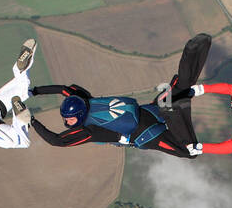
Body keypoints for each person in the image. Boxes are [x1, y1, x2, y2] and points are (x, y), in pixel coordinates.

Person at [22, 34, 211, 158]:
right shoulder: (83, 99)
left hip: (146, 134)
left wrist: (31, 121)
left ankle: (177, 110)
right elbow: (63, 89)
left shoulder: (90, 130)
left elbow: (56, 140)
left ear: (79, 116)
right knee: (179, 90)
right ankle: (193, 52)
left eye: (69, 119)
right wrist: (34, 91)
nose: (67, 122)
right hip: (147, 110)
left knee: (190, 151)